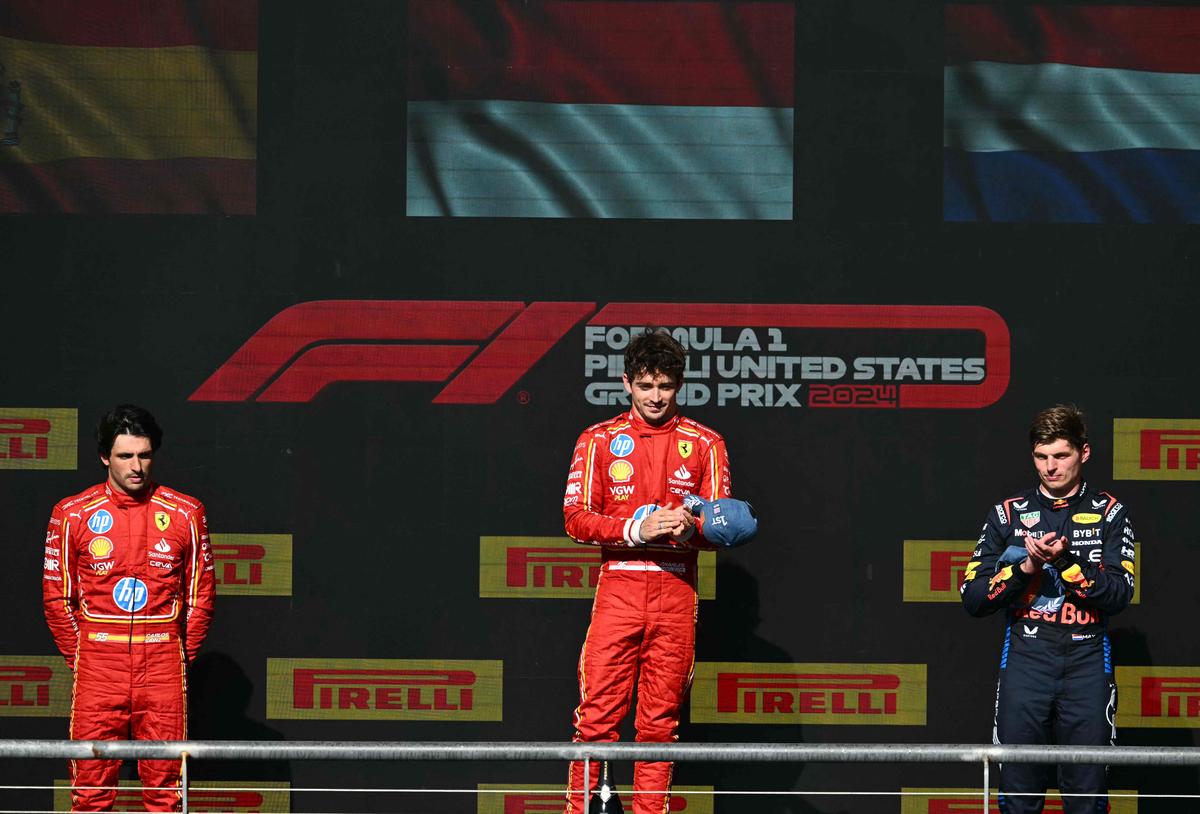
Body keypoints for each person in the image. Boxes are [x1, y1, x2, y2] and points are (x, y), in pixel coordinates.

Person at [562, 328, 754, 814]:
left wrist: (691, 528)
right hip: (620, 585)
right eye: (645, 386)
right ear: (627, 384)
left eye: (665, 387)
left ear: (678, 386)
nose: (655, 397)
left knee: (660, 723)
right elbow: (575, 518)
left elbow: (724, 527)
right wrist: (638, 527)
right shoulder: (599, 440)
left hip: (675, 590)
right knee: (597, 719)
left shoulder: (706, 442)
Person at [960, 405, 1136, 814]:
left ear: (1084, 453)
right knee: (1019, 795)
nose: (1050, 467)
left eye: (1061, 455)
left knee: (1087, 797)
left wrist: (1064, 563)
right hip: (1026, 663)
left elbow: (1119, 594)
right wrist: (1026, 566)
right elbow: (973, 596)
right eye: (1041, 457)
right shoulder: (1007, 514)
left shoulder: (1111, 512)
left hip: (1087, 664)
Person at [42, 405, 216, 812]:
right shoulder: (72, 514)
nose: (137, 467)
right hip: (99, 670)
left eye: (144, 455)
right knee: (91, 792)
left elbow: (201, 597)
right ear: (105, 457)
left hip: (162, 670)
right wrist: (86, 656)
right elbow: (56, 598)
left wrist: (175, 656)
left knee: (166, 794)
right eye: (125, 456)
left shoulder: (186, 512)